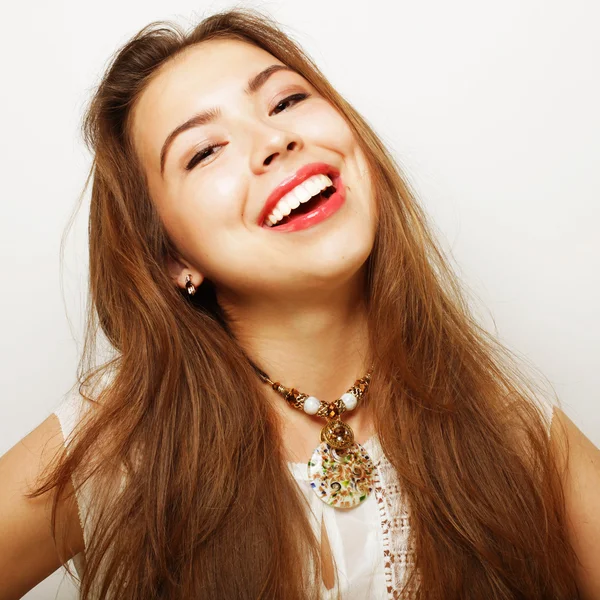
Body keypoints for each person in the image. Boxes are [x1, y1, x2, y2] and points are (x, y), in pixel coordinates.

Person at [0, 7, 598, 600]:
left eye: (286, 102)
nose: (275, 140)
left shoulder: (510, 421)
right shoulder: (118, 441)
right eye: (205, 151)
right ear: (172, 259)